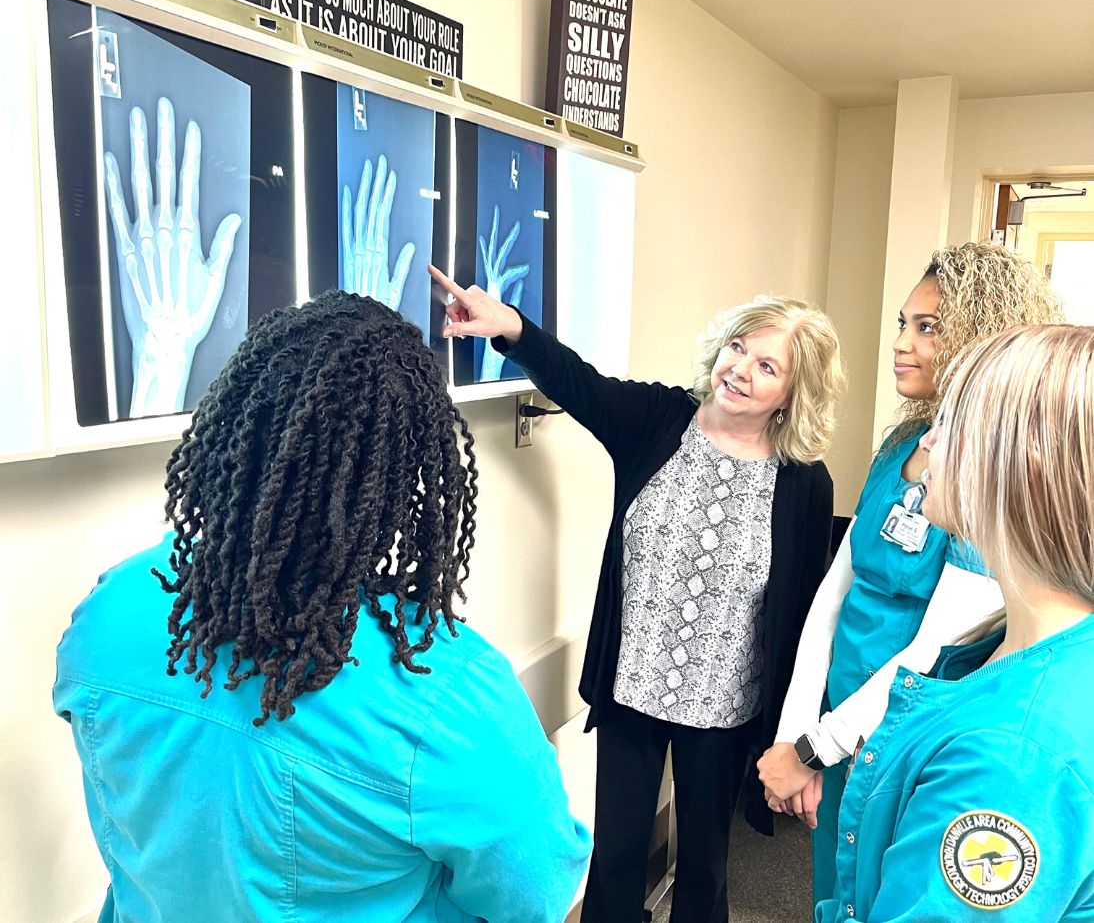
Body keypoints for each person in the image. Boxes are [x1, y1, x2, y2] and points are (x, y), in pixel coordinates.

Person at [53, 292, 591, 923]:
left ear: (234, 428)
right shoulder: (450, 695)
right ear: (404, 477)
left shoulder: (110, 610)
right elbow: (533, 894)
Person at [429, 265, 845, 923]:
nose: (741, 370)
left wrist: (796, 734)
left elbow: (802, 618)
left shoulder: (803, 484)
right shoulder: (658, 420)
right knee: (618, 856)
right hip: (632, 693)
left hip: (727, 709)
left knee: (705, 868)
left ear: (793, 393)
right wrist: (509, 327)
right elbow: (581, 384)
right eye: (739, 347)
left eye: (768, 367)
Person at [756, 242, 1063, 904]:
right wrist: (797, 733)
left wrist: (816, 749)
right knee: (832, 895)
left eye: (927, 329)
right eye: (903, 323)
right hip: (834, 722)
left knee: (884, 893)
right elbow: (834, 596)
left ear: (977, 340)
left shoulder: (987, 482)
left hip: (893, 737)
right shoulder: (901, 445)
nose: (901, 343)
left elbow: (936, 649)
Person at [816, 324, 1094, 921]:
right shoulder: (1019, 643)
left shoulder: (1009, 758)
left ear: (1028, 463)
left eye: (953, 423)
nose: (931, 440)